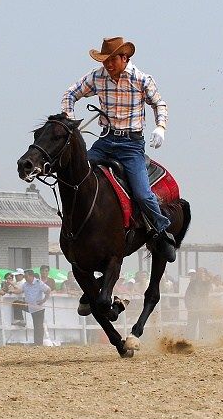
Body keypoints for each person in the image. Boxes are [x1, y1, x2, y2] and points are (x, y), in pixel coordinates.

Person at [61, 36, 176, 262]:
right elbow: (70, 94)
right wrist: (70, 120)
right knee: (78, 178)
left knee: (143, 194)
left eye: (112, 60)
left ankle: (162, 231)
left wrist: (160, 127)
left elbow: (159, 104)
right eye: (105, 60)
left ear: (125, 58)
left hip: (131, 146)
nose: (108, 64)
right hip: (105, 141)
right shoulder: (97, 76)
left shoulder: (141, 79)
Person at [20, 269, 52, 346]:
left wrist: (44, 300)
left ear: (31, 276)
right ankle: (19, 319)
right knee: (16, 304)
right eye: (24, 276)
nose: (25, 278)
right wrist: (11, 291)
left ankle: (38, 343)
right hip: (30, 307)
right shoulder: (25, 284)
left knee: (38, 326)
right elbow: (20, 290)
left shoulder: (38, 283)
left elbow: (48, 290)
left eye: (26, 276)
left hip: (38, 308)